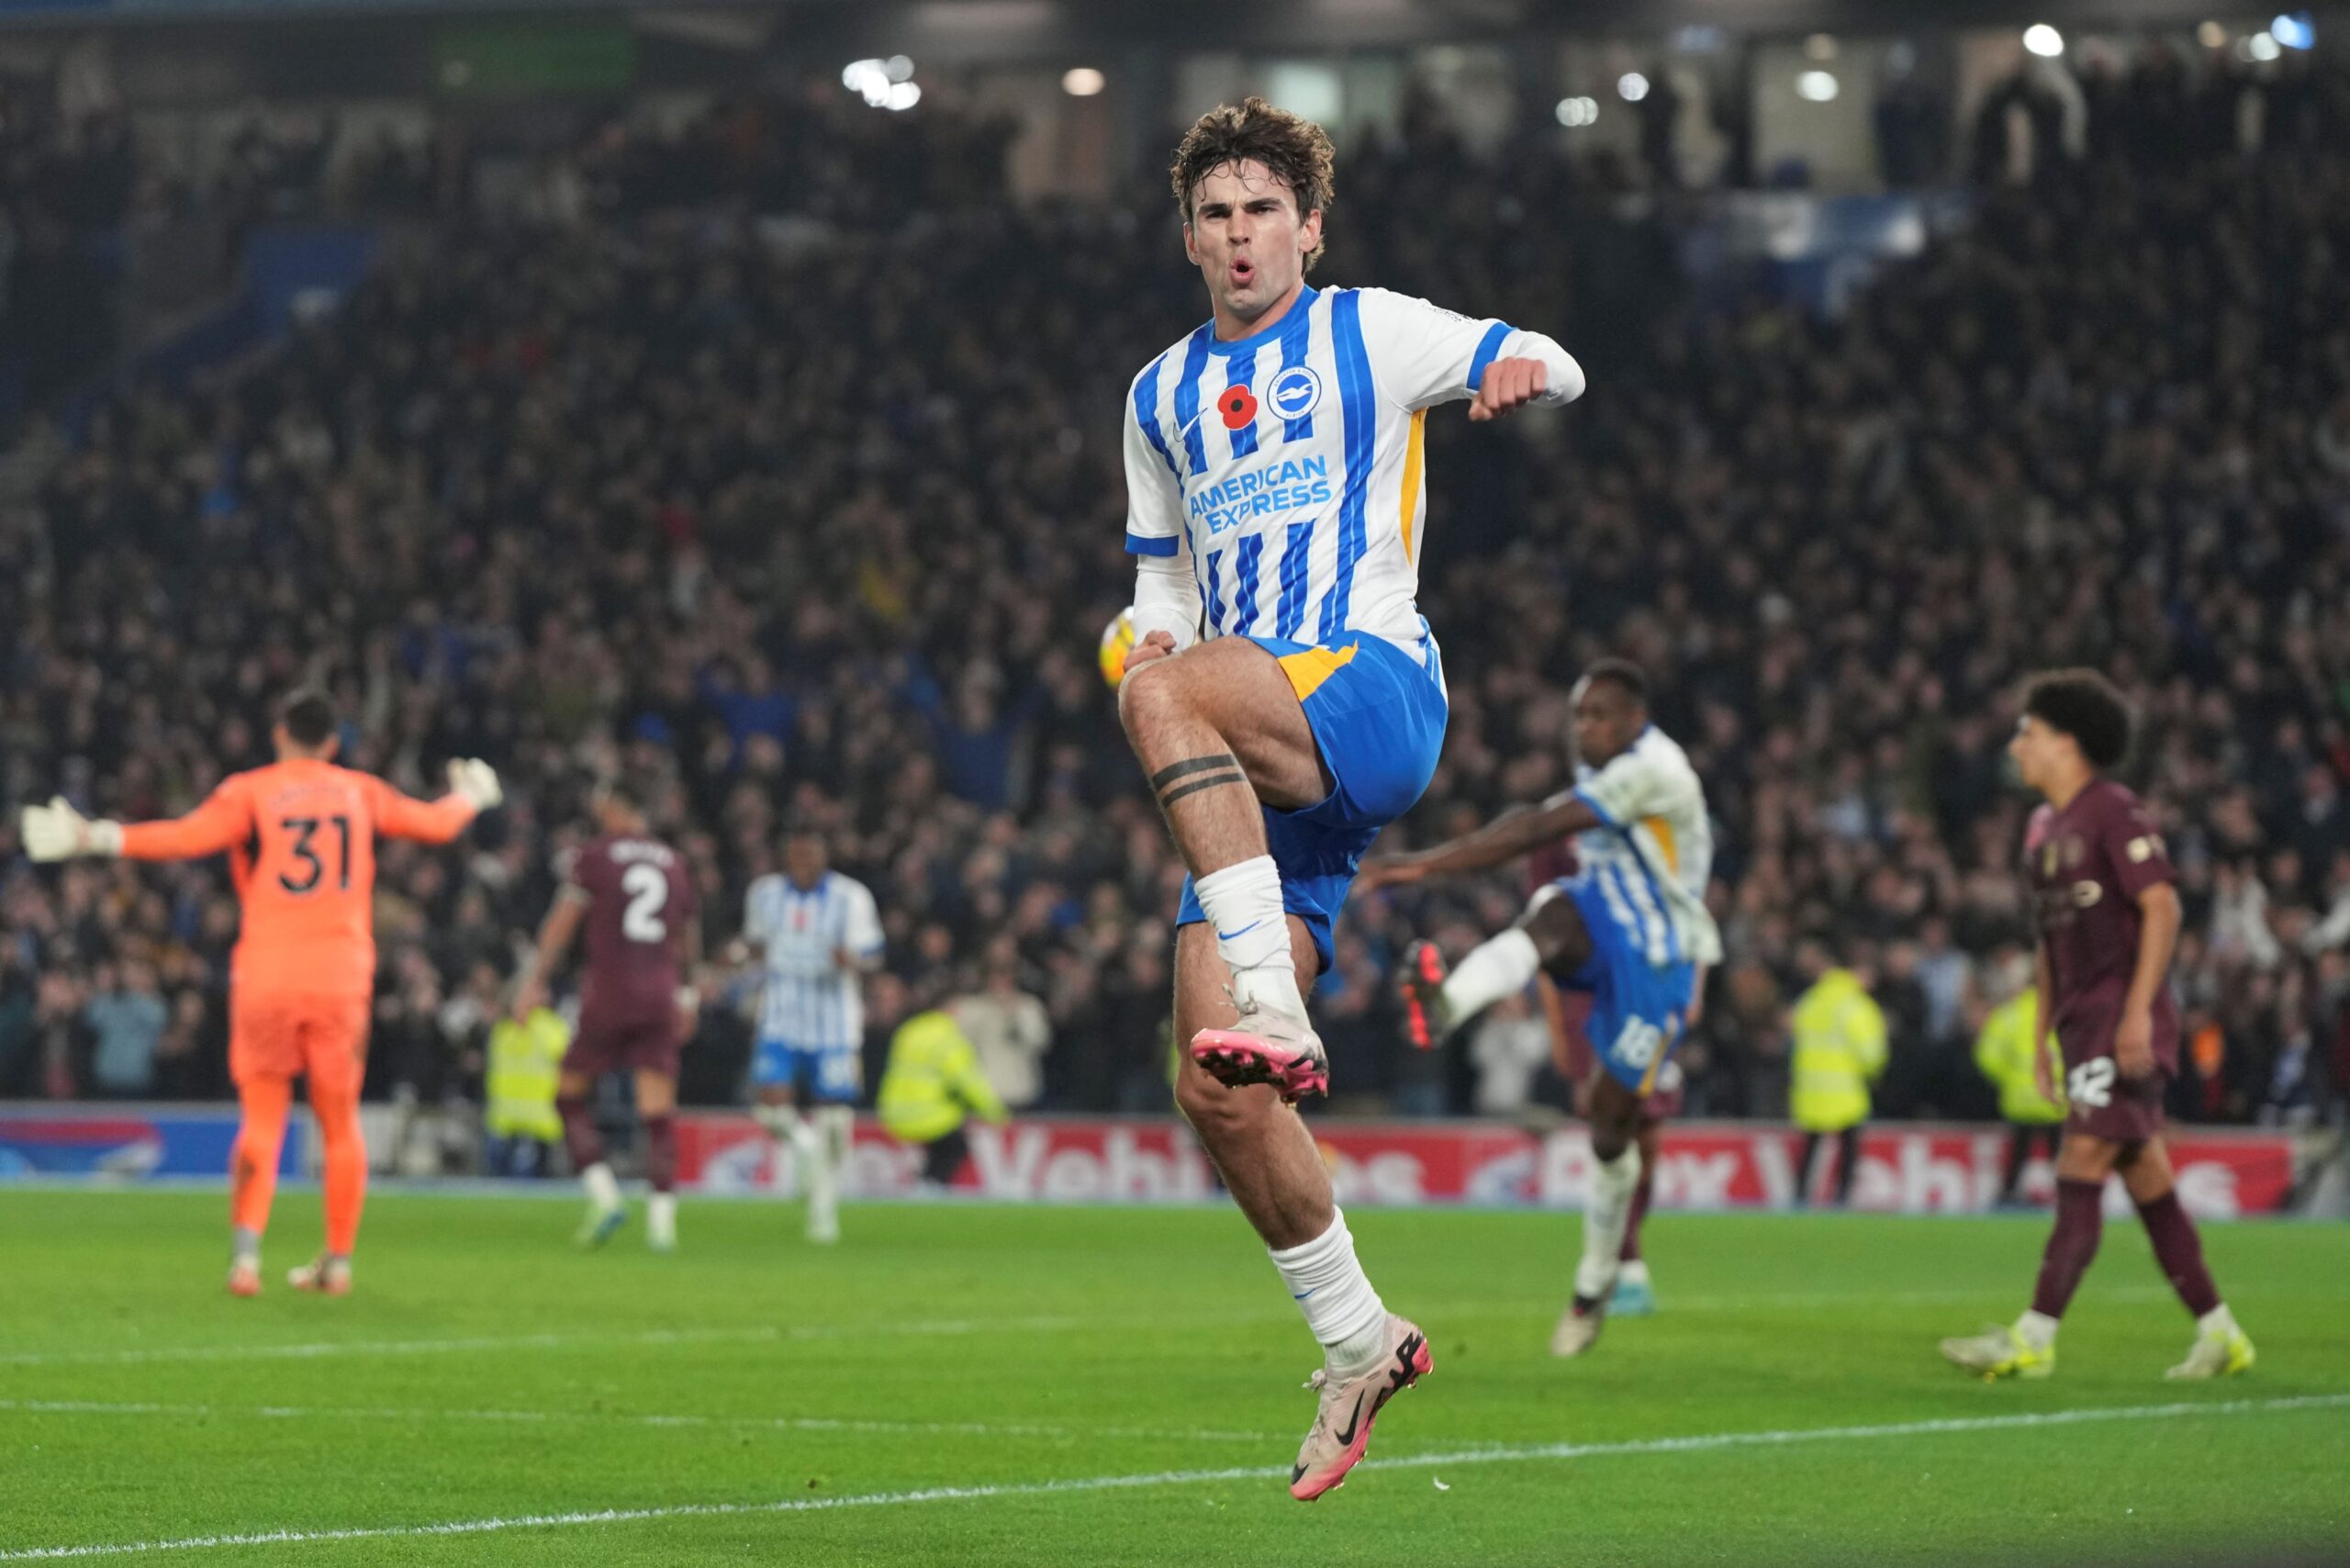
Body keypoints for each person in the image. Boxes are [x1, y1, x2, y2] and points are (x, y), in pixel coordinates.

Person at [1113, 95, 1586, 1500]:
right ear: (1189, 237)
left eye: (1265, 210)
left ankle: (1277, 993)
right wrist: (1150, 632)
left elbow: (1554, 358)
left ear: (1308, 230)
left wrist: (1522, 379)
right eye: (1217, 214)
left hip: (1371, 688)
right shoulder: (1156, 397)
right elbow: (1160, 580)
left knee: (1163, 700)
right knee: (1211, 1083)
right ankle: (1359, 1337)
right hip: (1269, 765)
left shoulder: (1370, 329)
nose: (1241, 233)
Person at [18, 688, 500, 1295]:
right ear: (332, 743)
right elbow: (434, 825)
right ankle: (339, 1261)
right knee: (339, 1123)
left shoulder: (253, 790)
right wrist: (471, 795)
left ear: (280, 734)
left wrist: (97, 836)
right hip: (340, 974)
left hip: (268, 972)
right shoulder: (361, 790)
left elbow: (187, 837)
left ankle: (246, 1259)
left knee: (263, 1117)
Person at [1356, 659, 1718, 1359]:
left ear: (1635, 721)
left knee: (1611, 1129)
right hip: (1601, 917)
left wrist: (1420, 864)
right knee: (1549, 915)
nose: (1584, 730)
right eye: (1578, 717)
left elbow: (1534, 827)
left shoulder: (1656, 771)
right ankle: (1448, 1003)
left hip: (1660, 961)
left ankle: (1594, 1281)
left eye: (1600, 716)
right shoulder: (1609, 768)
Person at [1942, 670, 2255, 1382]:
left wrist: (2140, 1011)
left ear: (2067, 742)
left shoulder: (2111, 809)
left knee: (2082, 1161)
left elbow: (2163, 908)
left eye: (2029, 732)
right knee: (2146, 1178)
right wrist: (2043, 1038)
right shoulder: (2041, 831)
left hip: (2122, 1016)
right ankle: (2220, 1331)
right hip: (2082, 1022)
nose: (2016, 745)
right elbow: (2051, 943)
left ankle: (2034, 1336)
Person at [514, 779, 699, 1253]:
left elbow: (562, 923)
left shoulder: (595, 856)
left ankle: (604, 1196)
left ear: (615, 808)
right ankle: (662, 1228)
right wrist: (689, 994)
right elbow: (688, 936)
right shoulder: (675, 863)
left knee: (568, 1096)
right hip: (660, 993)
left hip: (610, 992)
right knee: (657, 1112)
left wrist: (533, 979)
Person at [737, 826, 882, 1244]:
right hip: (780, 1017)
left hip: (834, 1024)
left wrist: (851, 959)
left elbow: (873, 955)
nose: (803, 864)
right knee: (770, 1111)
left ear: (824, 856)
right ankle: (802, 1150)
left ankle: (824, 1211)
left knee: (835, 1121)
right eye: (795, 856)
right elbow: (757, 944)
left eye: (810, 856)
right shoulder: (764, 894)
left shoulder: (851, 897)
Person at [1787, 942, 1886, 1208]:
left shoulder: (1810, 1000)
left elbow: (1795, 1036)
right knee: (1849, 1146)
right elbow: (1871, 1051)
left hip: (1810, 1088)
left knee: (1811, 1148)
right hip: (1845, 1089)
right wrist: (1873, 1073)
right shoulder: (1855, 1005)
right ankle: (1843, 1196)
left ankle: (1799, 1196)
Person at [877, 1002, 1011, 1191]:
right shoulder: (948, 1038)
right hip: (930, 1114)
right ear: (951, 1010)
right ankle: (929, 1186)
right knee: (956, 1146)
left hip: (895, 1111)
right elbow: (967, 1081)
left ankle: (924, 1182)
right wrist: (994, 1112)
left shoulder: (908, 1031)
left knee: (941, 1148)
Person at [1973, 951, 2064, 1206]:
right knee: (2059, 1152)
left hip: (2019, 1098)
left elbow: (1986, 1055)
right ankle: (2066, 1194)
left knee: (2018, 1151)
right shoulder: (2061, 1014)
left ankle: (2009, 1191)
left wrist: (2009, 1078)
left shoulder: (2009, 1013)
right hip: (2054, 1097)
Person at [483, 1000, 571, 1178]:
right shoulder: (503, 1031)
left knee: (533, 1182)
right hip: (504, 1120)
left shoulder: (549, 1028)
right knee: (498, 1184)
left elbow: (566, 1054)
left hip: (540, 1122)